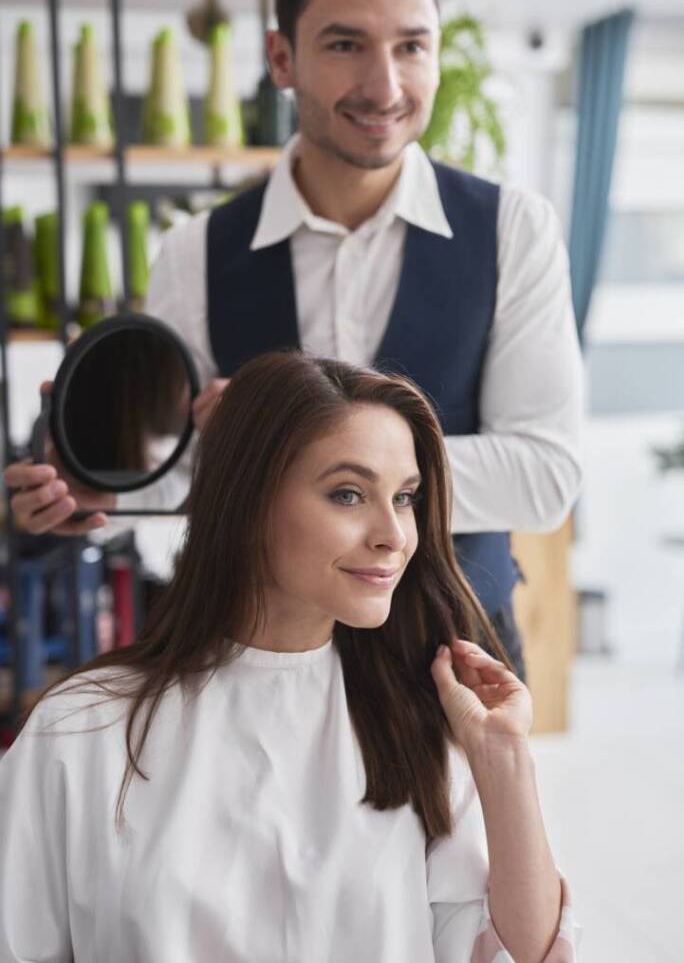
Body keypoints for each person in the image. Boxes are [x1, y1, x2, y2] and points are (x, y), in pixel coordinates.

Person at [4, 0, 584, 680]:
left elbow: (542, 476)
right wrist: (106, 485)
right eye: (346, 44)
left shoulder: (514, 231)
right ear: (282, 59)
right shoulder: (196, 251)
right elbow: (187, 472)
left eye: (412, 46)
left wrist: (299, 446)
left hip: (455, 662)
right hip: (249, 659)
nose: (385, 86)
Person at [0, 352, 580, 962]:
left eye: (405, 497)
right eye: (349, 494)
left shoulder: (419, 730)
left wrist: (504, 760)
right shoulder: (81, 730)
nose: (393, 534)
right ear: (247, 502)